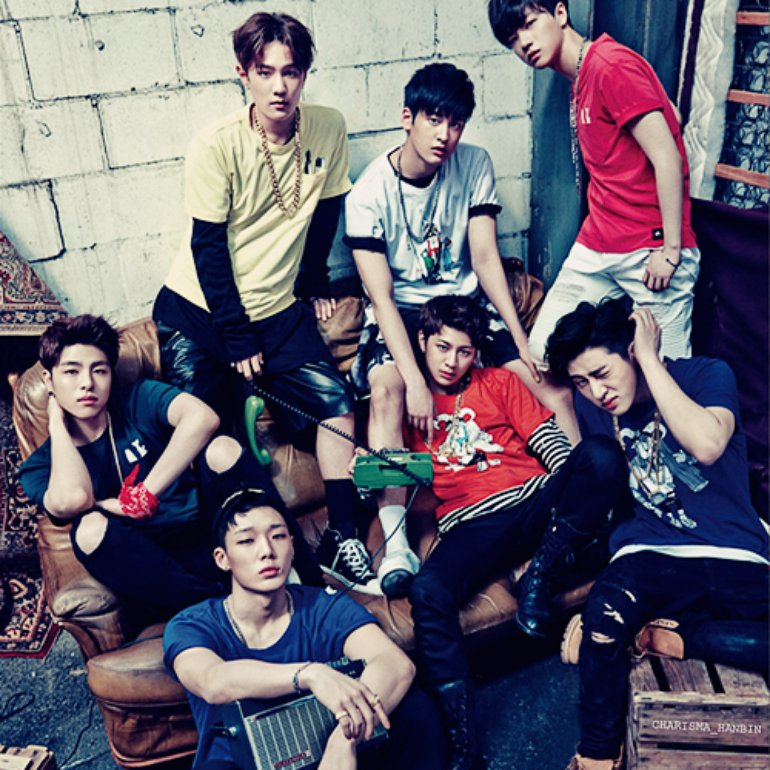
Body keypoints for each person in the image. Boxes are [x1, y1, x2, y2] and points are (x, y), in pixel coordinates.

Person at [152, 12, 377, 594]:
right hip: (201, 314)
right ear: (243, 74)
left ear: (304, 75)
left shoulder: (327, 127)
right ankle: (232, 569)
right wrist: (236, 335)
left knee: (337, 405)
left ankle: (342, 538)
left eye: (291, 72)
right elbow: (207, 246)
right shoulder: (216, 145)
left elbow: (326, 210)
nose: (280, 86)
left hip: (277, 311)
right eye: (265, 72)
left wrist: (313, 280)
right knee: (213, 439)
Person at [344, 62, 577, 598]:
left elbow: (486, 257)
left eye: (456, 123)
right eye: (434, 120)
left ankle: (575, 514)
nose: (445, 135)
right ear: (408, 118)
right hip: (405, 312)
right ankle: (397, 543)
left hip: (466, 306)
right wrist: (415, 380)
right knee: (388, 390)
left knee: (553, 389)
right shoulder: (368, 194)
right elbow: (381, 298)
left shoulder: (474, 163)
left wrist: (520, 339)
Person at [399, 296, 624, 770]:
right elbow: (395, 479)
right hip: (472, 522)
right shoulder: (405, 401)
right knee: (428, 591)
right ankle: (463, 742)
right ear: (422, 341)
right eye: (442, 347)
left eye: (464, 351)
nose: (451, 361)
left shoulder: (499, 381)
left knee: (601, 454)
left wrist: (570, 489)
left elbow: (554, 446)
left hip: (534, 501)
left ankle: (540, 571)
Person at [545, 299, 770, 770]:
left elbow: (708, 445)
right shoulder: (593, 408)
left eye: (602, 373)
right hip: (651, 550)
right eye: (582, 382)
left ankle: (672, 634)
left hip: (736, 552)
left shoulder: (707, 375)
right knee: (606, 617)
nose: (597, 392)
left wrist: (648, 359)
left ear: (632, 350)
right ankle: (597, 756)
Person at [17, 314, 325, 617]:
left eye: (99, 370)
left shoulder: (138, 399)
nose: (87, 383)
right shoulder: (39, 466)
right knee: (88, 530)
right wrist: (56, 424)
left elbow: (202, 418)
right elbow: (73, 499)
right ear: (49, 379)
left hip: (208, 531)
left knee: (222, 449)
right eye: (71, 372)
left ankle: (309, 582)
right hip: (155, 567)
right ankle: (216, 609)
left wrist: (144, 494)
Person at [163, 488, 446, 770]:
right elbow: (213, 681)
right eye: (247, 541)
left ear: (292, 546)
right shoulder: (192, 624)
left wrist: (345, 739)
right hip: (243, 762)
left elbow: (395, 664)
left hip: (325, 753)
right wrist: (310, 674)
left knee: (415, 708)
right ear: (222, 558)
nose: (267, 551)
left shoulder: (324, 606)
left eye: (277, 536)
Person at [488, 0, 701, 366]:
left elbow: (668, 156)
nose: (524, 42)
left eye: (529, 23)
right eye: (512, 39)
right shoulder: (581, 76)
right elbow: (673, 117)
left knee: (669, 377)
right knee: (543, 351)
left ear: (559, 13)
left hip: (649, 248)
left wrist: (670, 250)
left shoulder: (610, 66)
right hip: (599, 242)